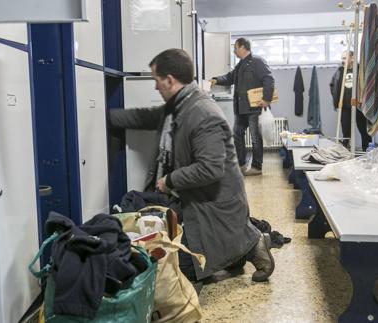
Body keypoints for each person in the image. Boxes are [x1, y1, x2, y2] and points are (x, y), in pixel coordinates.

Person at [108, 48, 274, 283]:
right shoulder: (181, 106)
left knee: (173, 267)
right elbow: (148, 117)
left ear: (169, 80)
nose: (155, 87)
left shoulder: (202, 112)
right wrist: (105, 117)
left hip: (215, 209)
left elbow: (211, 168)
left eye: (156, 80)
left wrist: (170, 180)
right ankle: (239, 247)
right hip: (201, 203)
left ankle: (252, 243)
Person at [210, 37, 275, 176]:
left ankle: (257, 167)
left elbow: (269, 79)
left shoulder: (257, 62)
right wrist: (216, 80)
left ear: (242, 47)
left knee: (255, 137)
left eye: (235, 48)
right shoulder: (240, 65)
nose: (234, 51)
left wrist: (267, 99)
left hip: (255, 108)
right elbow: (229, 77)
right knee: (237, 134)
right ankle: (241, 164)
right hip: (241, 108)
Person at [329, 51, 372, 151]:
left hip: (359, 105)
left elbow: (367, 85)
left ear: (352, 58)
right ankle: (346, 152)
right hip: (345, 106)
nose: (342, 61)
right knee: (346, 132)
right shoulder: (340, 71)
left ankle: (367, 153)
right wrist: (338, 98)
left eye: (345, 58)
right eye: (342, 58)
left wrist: (361, 100)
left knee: (364, 131)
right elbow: (332, 85)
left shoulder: (360, 70)